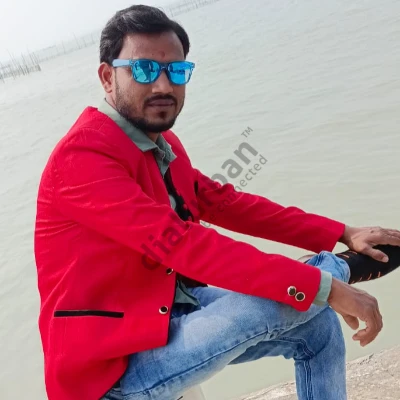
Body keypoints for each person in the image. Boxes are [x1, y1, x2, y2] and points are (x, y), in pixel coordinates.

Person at [33, 5, 400, 400]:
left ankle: (328, 271)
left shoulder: (160, 142)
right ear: (108, 77)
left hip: (164, 312)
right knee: (299, 295)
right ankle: (336, 270)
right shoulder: (82, 156)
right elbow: (180, 243)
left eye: (176, 71)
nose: (162, 85)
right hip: (111, 367)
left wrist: (341, 231)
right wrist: (323, 285)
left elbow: (225, 203)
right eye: (144, 70)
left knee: (318, 326)